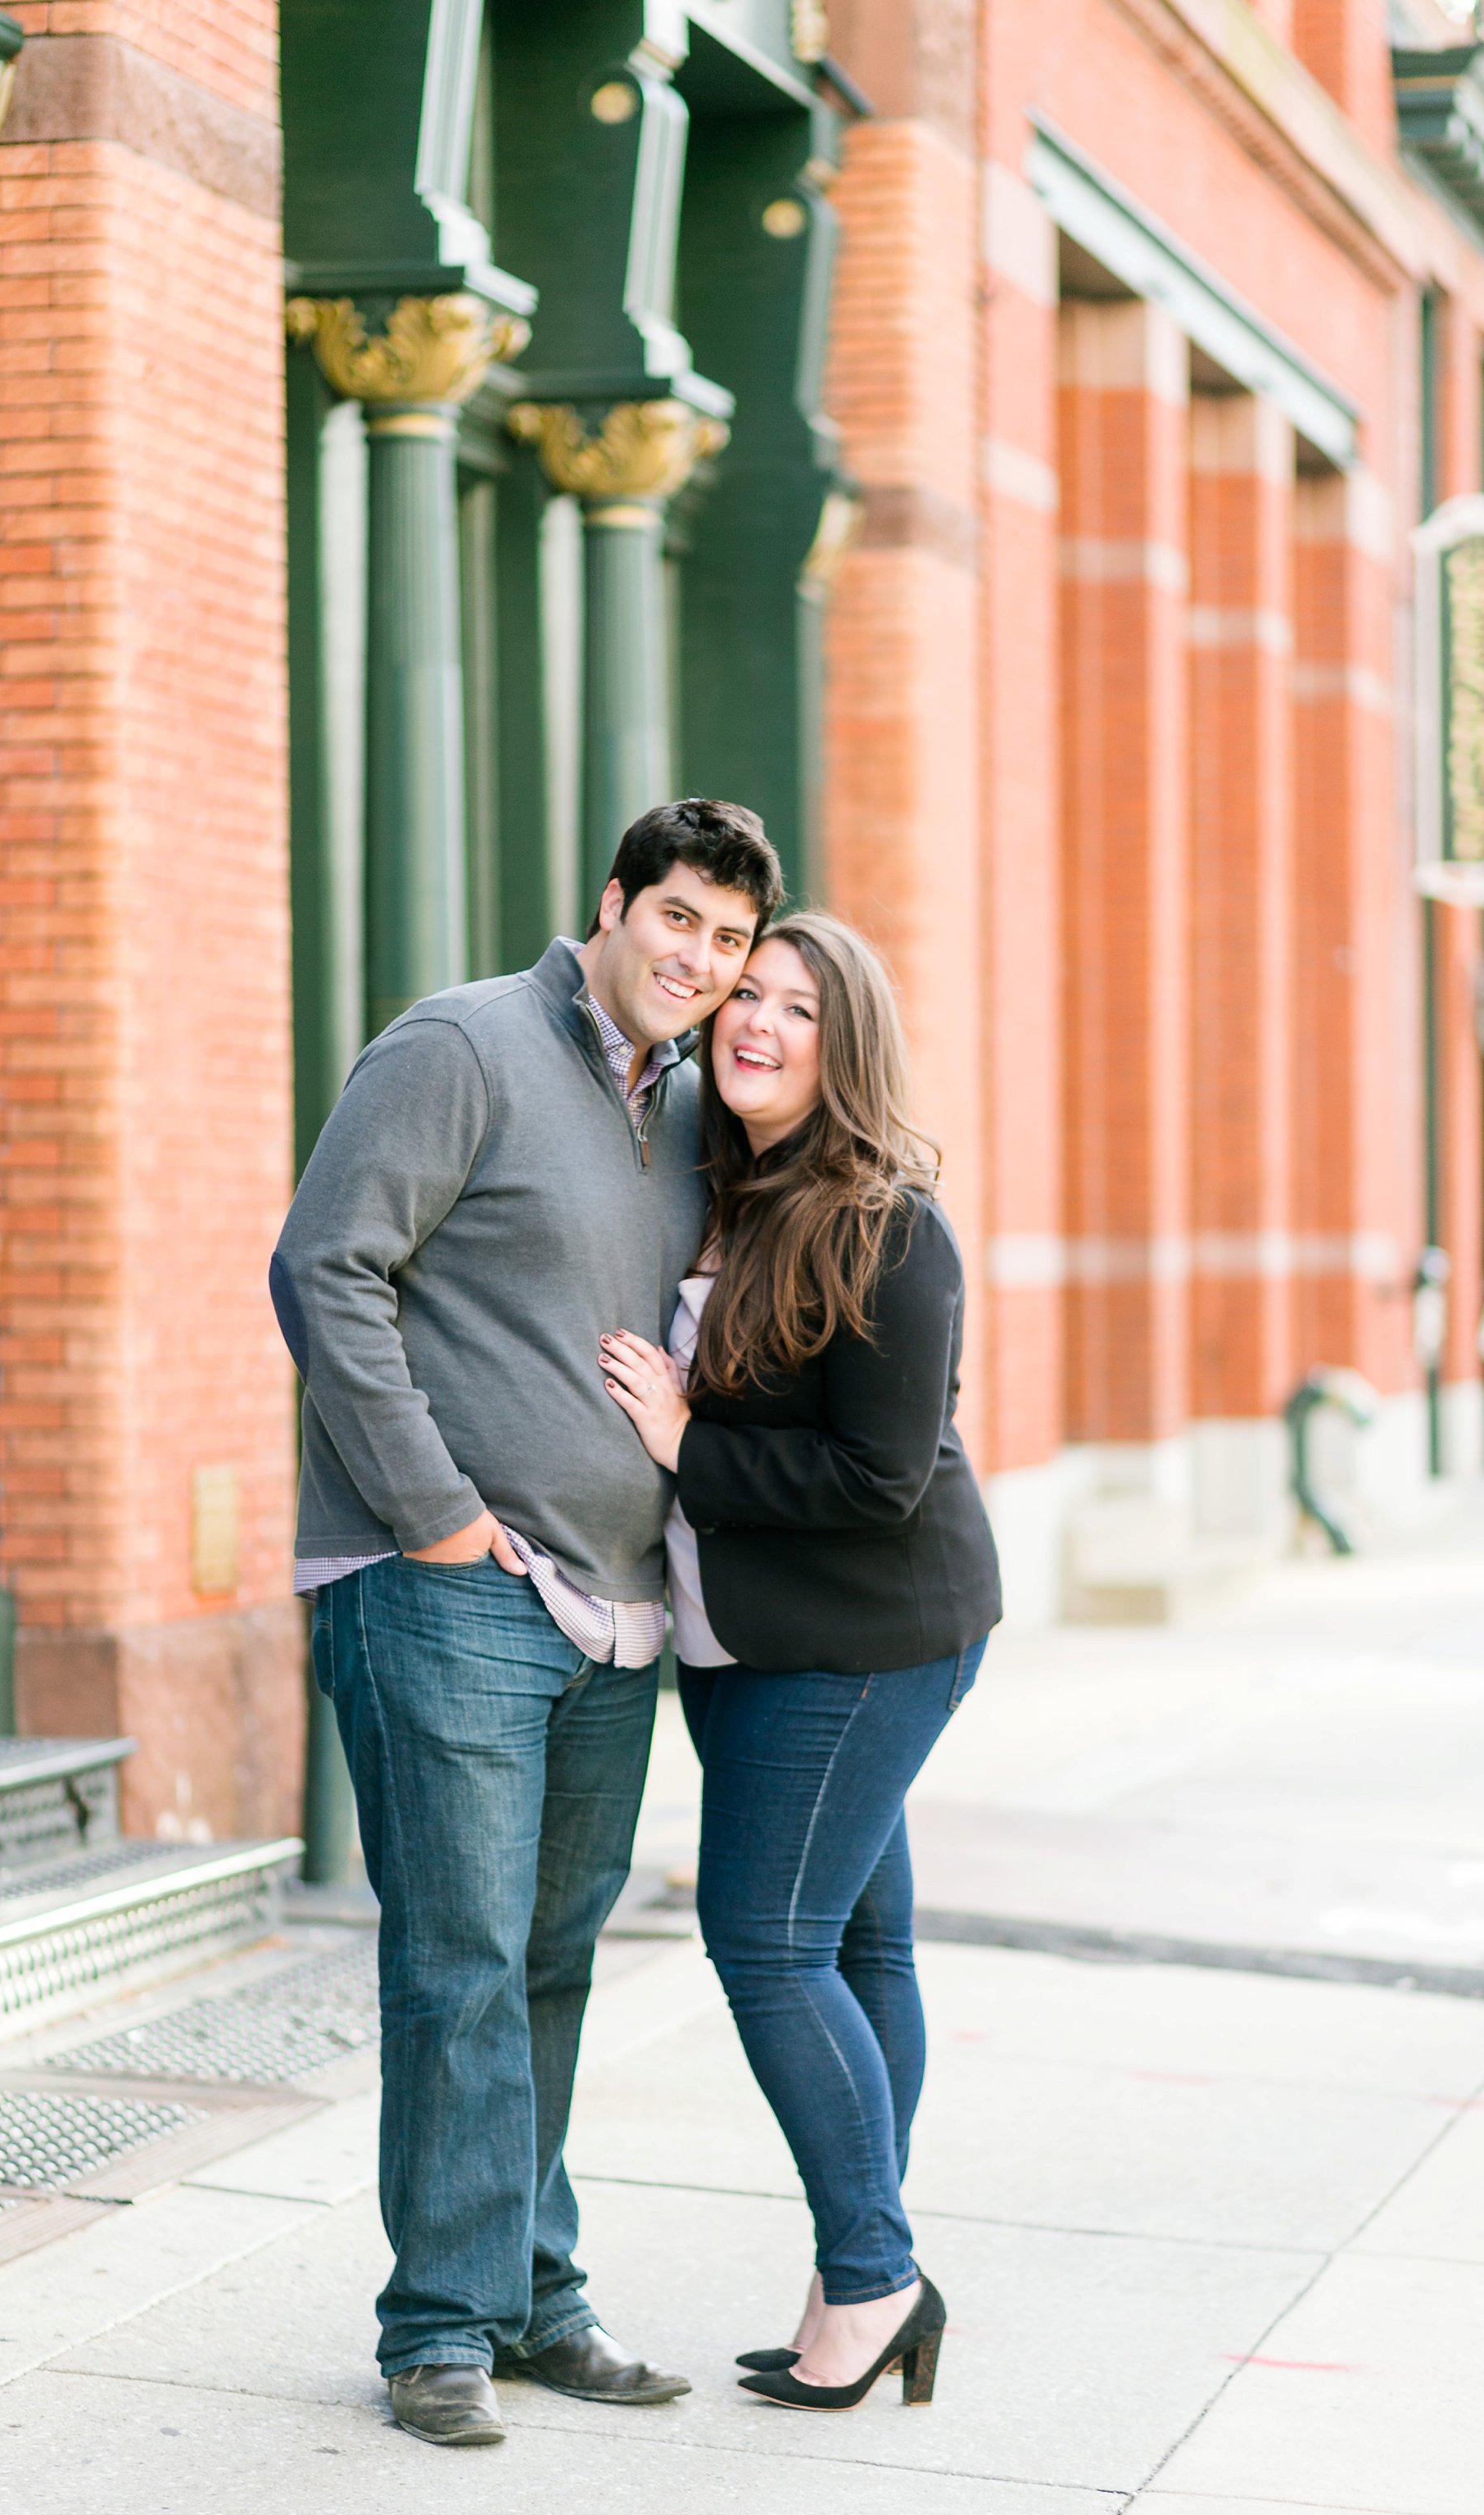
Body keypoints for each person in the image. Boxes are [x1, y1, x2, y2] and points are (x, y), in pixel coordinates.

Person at [270, 800, 783, 2449]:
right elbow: (324, 1268)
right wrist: (426, 1512)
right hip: (449, 1594)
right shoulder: (461, 1045)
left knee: (552, 1959)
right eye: (679, 920)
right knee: (461, 1959)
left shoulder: (699, 1106)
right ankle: (438, 2323)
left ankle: (534, 2290)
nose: (698, 963)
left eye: (725, 941)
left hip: (615, 1609)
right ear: (614, 901)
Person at [601, 910, 1002, 2417]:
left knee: (766, 1939)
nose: (756, 1022)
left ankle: (877, 2272)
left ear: (850, 1050)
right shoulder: (723, 1182)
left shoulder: (891, 1225)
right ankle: (862, 2276)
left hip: (870, 1638)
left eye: (797, 1009)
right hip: (752, 1639)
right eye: (745, 996)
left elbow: (879, 1480)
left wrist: (687, 1441)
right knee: (854, 1944)